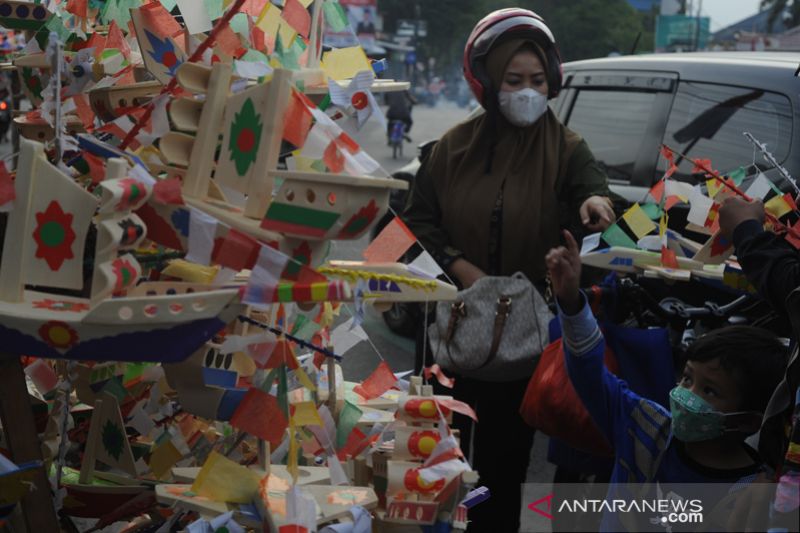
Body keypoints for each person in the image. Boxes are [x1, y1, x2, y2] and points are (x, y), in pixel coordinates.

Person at [403, 9, 614, 531]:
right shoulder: (448, 150)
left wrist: (596, 205)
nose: (526, 91)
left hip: (523, 340)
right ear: (488, 82)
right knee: (437, 457)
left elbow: (594, 191)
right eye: (514, 80)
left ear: (553, 81)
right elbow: (413, 224)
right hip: (450, 331)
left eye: (537, 81)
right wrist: (461, 268)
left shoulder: (568, 150)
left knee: (502, 466)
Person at [546, 229, 789, 530]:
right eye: (687, 379)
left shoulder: (756, 495)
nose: (687, 394)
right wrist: (572, 303)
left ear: (748, 422)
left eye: (709, 391)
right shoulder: (647, 429)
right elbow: (589, 374)